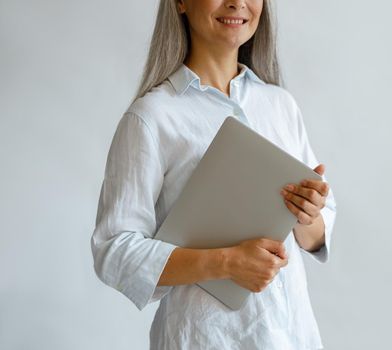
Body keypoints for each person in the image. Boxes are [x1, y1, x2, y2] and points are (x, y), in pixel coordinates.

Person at [90, 0, 337, 349]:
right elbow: (114, 250)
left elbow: (315, 235)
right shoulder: (153, 117)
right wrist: (225, 263)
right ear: (180, 3)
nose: (237, 2)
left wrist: (306, 212)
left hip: (294, 336)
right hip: (206, 339)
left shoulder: (280, 105)